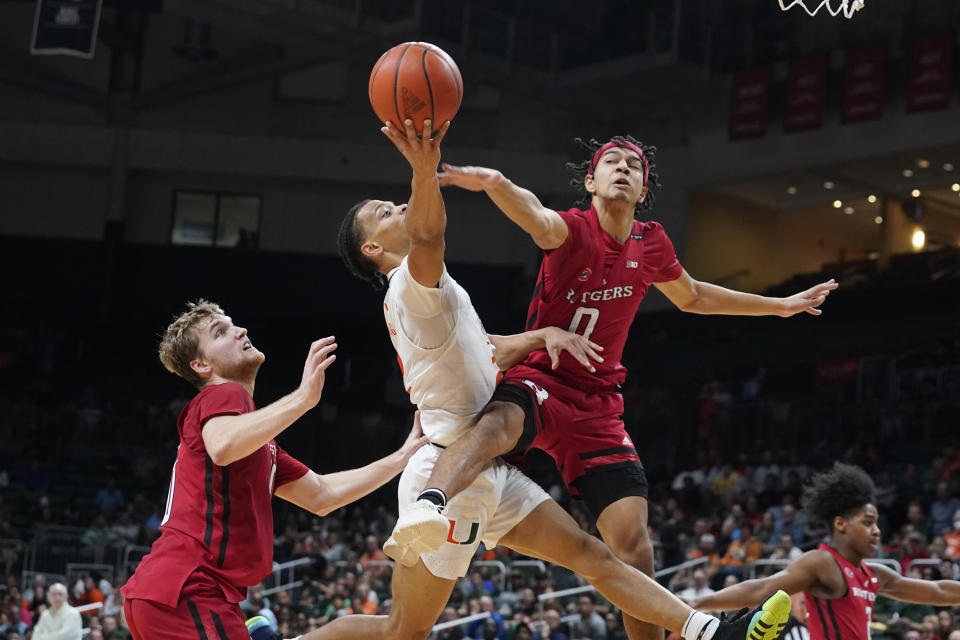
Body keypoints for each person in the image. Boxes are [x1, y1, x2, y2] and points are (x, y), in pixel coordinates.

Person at [307, 118, 790, 640]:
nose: (396, 208)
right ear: (374, 250)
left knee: (594, 555)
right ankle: (426, 507)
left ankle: (713, 633)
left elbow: (488, 346)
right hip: (451, 461)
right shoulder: (410, 286)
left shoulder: (440, 288)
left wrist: (544, 335)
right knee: (403, 632)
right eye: (383, 213)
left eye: (635, 165)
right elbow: (435, 231)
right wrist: (426, 170)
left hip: (494, 470)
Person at [119, 299, 427, 639]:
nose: (241, 331)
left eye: (234, 324)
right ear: (201, 365)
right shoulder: (223, 394)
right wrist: (303, 399)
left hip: (174, 593)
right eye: (221, 332)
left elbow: (323, 495)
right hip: (189, 589)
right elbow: (222, 447)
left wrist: (402, 457)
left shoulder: (262, 445)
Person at [686, 463, 960, 640]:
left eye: (876, 522)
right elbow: (761, 588)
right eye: (867, 522)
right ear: (840, 524)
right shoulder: (824, 563)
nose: (877, 530)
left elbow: (936, 591)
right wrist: (699, 603)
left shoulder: (875, 574)